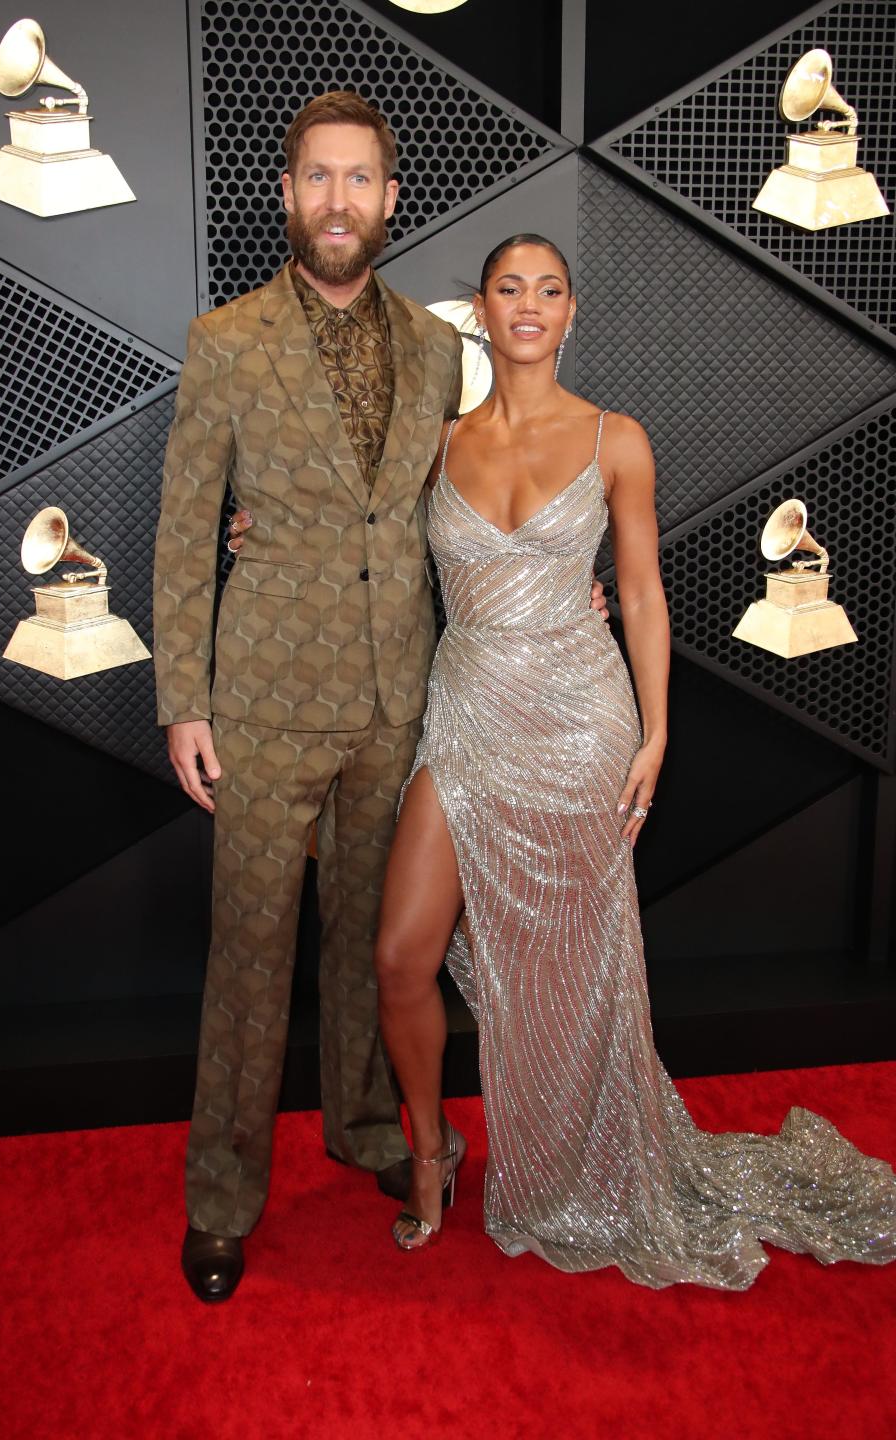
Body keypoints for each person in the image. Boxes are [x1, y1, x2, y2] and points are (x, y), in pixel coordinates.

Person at [154, 94, 611, 1304]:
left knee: (370, 946)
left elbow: (467, 498)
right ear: (290, 193)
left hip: (404, 698)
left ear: (390, 199)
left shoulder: (437, 344)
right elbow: (186, 528)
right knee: (250, 957)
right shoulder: (226, 341)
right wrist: (183, 699)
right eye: (319, 179)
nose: (340, 200)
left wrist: (565, 589)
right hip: (259, 698)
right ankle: (223, 1197)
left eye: (361, 180)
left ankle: (365, 1127)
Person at [372, 234, 896, 1288]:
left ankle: (581, 1167)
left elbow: (645, 596)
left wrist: (655, 734)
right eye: (510, 289)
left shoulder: (618, 440)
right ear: (482, 309)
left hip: (580, 724)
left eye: (550, 290)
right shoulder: (428, 445)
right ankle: (432, 1151)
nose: (530, 305)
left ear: (573, 313)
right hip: (469, 716)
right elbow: (358, 541)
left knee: (576, 971)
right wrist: (255, 532)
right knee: (399, 954)